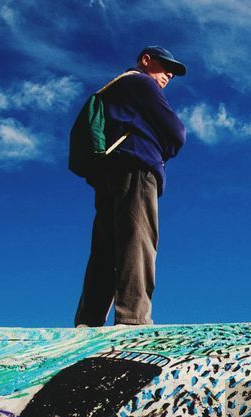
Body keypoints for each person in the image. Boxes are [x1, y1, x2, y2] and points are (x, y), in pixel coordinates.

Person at [74, 46, 187, 327]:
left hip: (109, 174)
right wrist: (162, 148)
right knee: (138, 242)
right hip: (137, 169)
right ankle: (134, 319)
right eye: (164, 66)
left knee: (104, 249)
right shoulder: (140, 81)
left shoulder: (114, 88)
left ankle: (88, 322)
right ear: (146, 60)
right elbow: (177, 132)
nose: (169, 74)